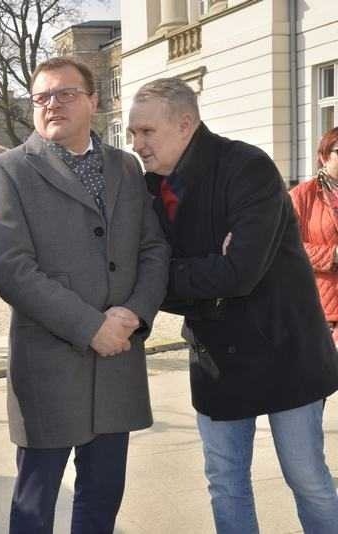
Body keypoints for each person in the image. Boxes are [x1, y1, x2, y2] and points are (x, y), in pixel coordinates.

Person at [128, 77, 338, 534]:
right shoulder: (145, 187)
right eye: (133, 133)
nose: (136, 144)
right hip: (216, 357)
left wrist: (172, 273)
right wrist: (200, 271)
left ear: (185, 124)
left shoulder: (247, 167)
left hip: (288, 352)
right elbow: (144, 272)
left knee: (307, 478)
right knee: (225, 482)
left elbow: (240, 273)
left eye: (146, 132)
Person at [0, 56, 170, 534]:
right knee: (33, 507)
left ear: (94, 102)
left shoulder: (125, 168)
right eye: (42, 97)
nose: (52, 104)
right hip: (50, 369)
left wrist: (134, 313)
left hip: (118, 363)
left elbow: (153, 248)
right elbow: (11, 269)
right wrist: (91, 327)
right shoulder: (6, 172)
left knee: (102, 500)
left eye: (65, 93)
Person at [290, 127, 338, 345]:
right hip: (323, 308)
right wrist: (334, 255)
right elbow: (287, 247)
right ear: (324, 156)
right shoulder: (302, 196)